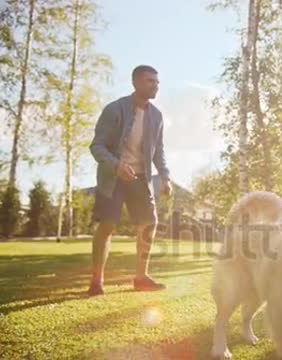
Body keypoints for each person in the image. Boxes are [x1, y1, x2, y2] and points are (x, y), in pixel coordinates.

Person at [87, 65, 172, 296]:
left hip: (139, 178)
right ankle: (96, 281)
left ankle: (141, 277)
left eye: (156, 81)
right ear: (135, 83)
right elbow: (97, 146)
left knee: (149, 223)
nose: (155, 85)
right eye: (149, 81)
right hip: (112, 177)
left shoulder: (157, 116)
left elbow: (158, 150)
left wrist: (164, 176)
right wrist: (116, 165)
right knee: (107, 225)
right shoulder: (115, 109)